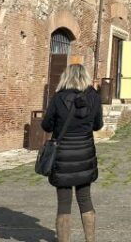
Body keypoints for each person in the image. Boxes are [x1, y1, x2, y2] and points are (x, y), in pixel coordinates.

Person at [42, 63, 103, 242]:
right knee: (85, 199)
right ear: (85, 76)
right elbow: (98, 125)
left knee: (63, 204)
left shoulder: (59, 97)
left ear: (66, 77)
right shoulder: (94, 96)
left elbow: (46, 125)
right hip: (84, 155)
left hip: (62, 157)